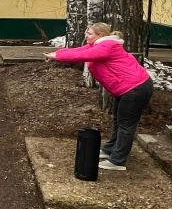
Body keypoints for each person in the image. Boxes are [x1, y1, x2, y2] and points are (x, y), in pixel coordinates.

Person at [45, 23, 155, 170]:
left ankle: (118, 161)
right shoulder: (98, 46)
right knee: (118, 120)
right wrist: (56, 54)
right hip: (127, 88)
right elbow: (78, 50)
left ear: (100, 35)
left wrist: (57, 56)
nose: (86, 35)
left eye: (90, 33)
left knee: (125, 125)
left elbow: (81, 56)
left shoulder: (106, 47)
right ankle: (110, 149)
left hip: (135, 88)